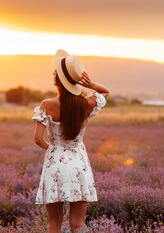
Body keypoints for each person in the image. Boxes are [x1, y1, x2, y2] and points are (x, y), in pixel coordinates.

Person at [32, 49, 109, 233]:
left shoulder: (47, 105)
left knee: (54, 223)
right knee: (78, 224)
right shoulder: (86, 104)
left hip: (55, 164)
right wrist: (90, 84)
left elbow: (37, 139)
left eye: (55, 72)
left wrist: (53, 149)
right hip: (79, 164)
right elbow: (105, 92)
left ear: (57, 79)